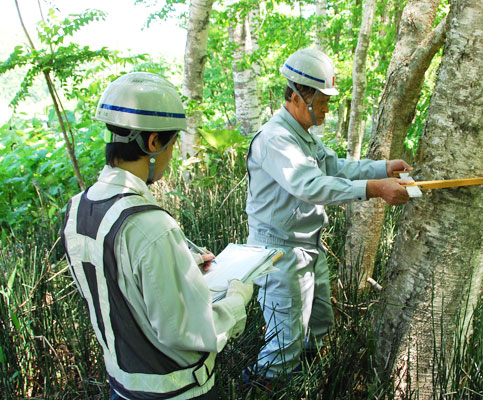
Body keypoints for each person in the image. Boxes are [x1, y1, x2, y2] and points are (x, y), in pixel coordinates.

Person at [61, 72, 254, 400]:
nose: (171, 155)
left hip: (121, 388)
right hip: (177, 391)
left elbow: (118, 283)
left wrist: (184, 265)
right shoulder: (151, 226)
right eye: (172, 143)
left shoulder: (77, 209)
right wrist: (238, 297)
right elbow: (190, 330)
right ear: (153, 143)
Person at [245, 47, 412, 379]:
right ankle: (263, 384)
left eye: (326, 103)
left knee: (319, 325)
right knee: (283, 344)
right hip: (279, 251)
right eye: (318, 103)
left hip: (309, 247)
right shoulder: (276, 139)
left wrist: (381, 168)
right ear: (294, 97)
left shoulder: (303, 135)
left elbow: (334, 167)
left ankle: (303, 381)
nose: (324, 111)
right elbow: (311, 186)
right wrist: (376, 188)